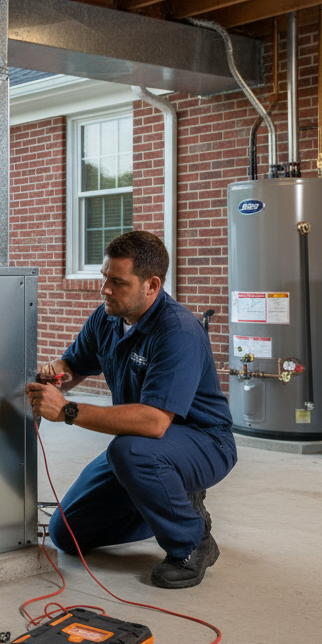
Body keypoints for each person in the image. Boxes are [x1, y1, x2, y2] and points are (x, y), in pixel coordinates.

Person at [25, 230, 236, 589]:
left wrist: (68, 411)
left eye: (117, 282)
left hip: (202, 443)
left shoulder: (178, 331)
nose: (105, 289)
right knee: (67, 533)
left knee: (130, 451)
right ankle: (177, 506)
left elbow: (154, 422)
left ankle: (191, 543)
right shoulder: (107, 318)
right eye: (104, 277)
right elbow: (73, 365)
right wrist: (54, 376)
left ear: (152, 285)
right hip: (145, 445)